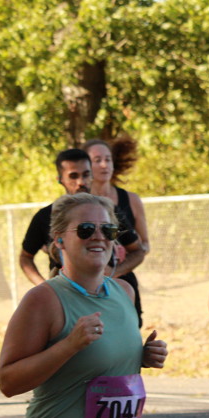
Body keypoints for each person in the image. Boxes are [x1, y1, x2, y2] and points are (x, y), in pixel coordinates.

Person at [0, 192, 168, 418]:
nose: (99, 237)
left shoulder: (123, 291)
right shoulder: (44, 300)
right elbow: (8, 381)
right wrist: (69, 345)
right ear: (58, 240)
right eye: (86, 229)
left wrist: (142, 356)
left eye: (108, 230)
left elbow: (104, 362)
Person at [20, 149, 146, 291]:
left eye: (86, 174)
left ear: (92, 176)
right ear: (60, 179)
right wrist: (45, 287)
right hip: (67, 295)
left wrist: (113, 273)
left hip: (111, 293)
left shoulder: (107, 211)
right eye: (73, 176)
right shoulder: (45, 216)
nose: (80, 182)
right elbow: (26, 257)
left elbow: (138, 251)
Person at [83, 137, 150, 327]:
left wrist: (116, 268)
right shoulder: (78, 202)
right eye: (97, 160)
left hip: (123, 279)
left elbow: (145, 245)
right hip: (88, 283)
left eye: (108, 159)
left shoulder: (131, 199)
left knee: (129, 329)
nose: (104, 165)